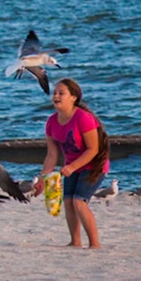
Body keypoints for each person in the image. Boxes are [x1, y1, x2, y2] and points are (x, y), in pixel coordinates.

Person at [37, 78, 107, 249]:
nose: (56, 96)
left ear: (73, 97)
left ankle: (94, 244)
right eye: (54, 93)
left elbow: (93, 149)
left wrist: (72, 167)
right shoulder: (51, 122)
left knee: (79, 201)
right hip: (72, 166)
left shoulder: (83, 118)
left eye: (61, 93)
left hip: (94, 164)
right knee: (67, 201)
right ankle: (75, 242)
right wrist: (42, 178)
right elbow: (52, 155)